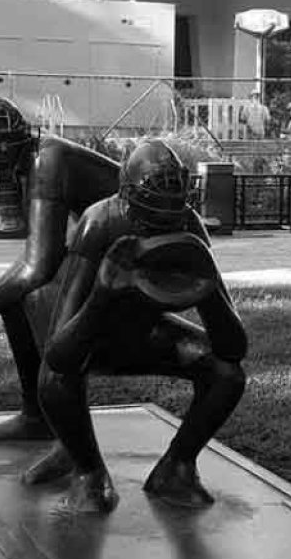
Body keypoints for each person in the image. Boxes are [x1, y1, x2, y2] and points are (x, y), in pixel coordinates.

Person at [22, 138, 248, 513]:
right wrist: (103, 295)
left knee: (227, 375)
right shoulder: (101, 222)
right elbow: (60, 353)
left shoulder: (189, 227)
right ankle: (88, 472)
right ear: (126, 199)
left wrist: (209, 292)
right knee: (54, 380)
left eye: (170, 215)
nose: (159, 228)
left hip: (146, 333)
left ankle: (176, 468)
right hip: (93, 335)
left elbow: (233, 349)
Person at [0, 96, 122, 442]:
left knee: (42, 309)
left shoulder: (47, 161)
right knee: (15, 291)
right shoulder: (30, 160)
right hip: (103, 245)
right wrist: (1, 293)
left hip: (135, 250)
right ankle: (37, 414)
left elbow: (40, 267)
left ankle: (69, 435)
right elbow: (38, 251)